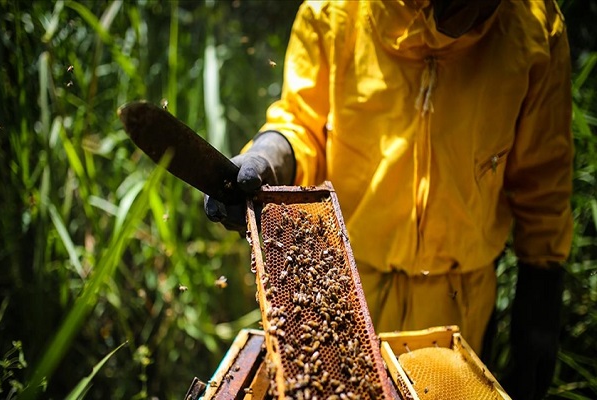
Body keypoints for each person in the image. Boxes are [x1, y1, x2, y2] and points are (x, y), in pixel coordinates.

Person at [204, 1, 573, 398]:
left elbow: (543, 177)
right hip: (342, 286)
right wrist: (271, 157)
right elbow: (301, 123)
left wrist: (541, 289)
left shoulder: (535, 28)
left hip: (458, 302)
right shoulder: (334, 13)